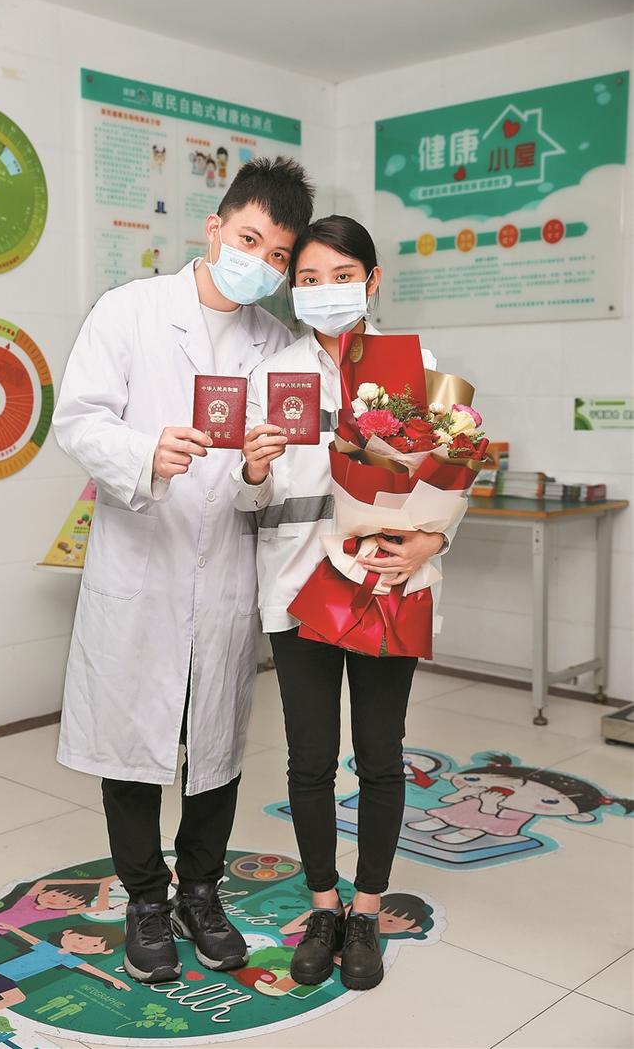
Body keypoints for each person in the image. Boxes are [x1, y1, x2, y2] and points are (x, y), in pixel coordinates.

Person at [53, 157, 315, 986]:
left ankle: (200, 892)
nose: (260, 263)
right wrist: (145, 452)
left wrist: (255, 471)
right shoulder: (129, 311)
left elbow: (270, 482)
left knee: (214, 742)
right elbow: (77, 419)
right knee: (134, 743)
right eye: (250, 240)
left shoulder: (278, 344)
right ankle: (144, 898)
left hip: (225, 573)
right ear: (214, 227)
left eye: (279, 255)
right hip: (141, 563)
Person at [233, 215, 458, 991]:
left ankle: (366, 908)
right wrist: (252, 469)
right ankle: (324, 905)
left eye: (340, 276)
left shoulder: (414, 365)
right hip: (300, 588)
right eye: (308, 278)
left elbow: (448, 472)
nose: (323, 290)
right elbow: (247, 498)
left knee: (382, 754)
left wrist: (431, 540)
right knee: (309, 759)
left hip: (385, 581)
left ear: (371, 281)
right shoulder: (273, 372)